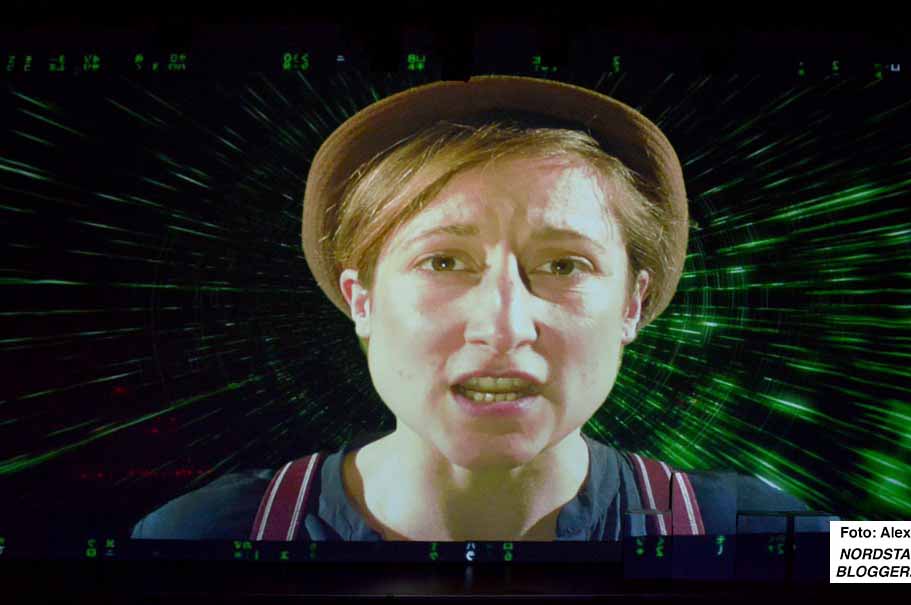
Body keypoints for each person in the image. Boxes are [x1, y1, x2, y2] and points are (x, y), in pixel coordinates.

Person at [131, 76, 835, 542]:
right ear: (361, 300)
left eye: (564, 265)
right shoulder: (195, 536)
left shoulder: (759, 528)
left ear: (633, 303)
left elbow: (909, 559)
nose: (502, 327)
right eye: (443, 262)